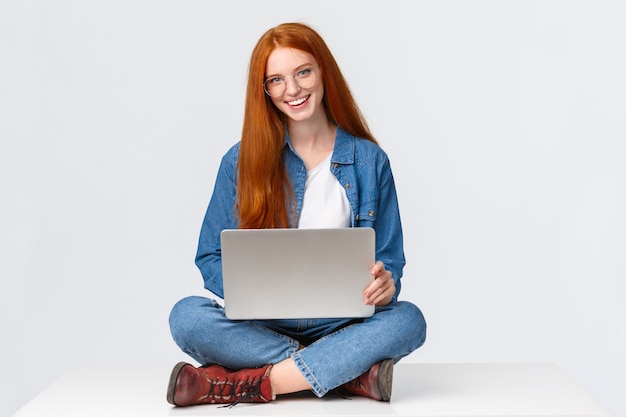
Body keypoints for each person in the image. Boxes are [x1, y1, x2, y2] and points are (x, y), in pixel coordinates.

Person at [167, 22, 427, 407]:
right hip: (260, 324)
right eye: (276, 80)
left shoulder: (370, 161)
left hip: (343, 324)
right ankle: (346, 374)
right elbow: (209, 256)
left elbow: (388, 262)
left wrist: (385, 284)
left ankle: (254, 383)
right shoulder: (238, 162)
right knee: (186, 316)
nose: (292, 90)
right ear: (265, 90)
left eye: (303, 72)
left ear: (324, 72)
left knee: (408, 320)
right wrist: (252, 289)